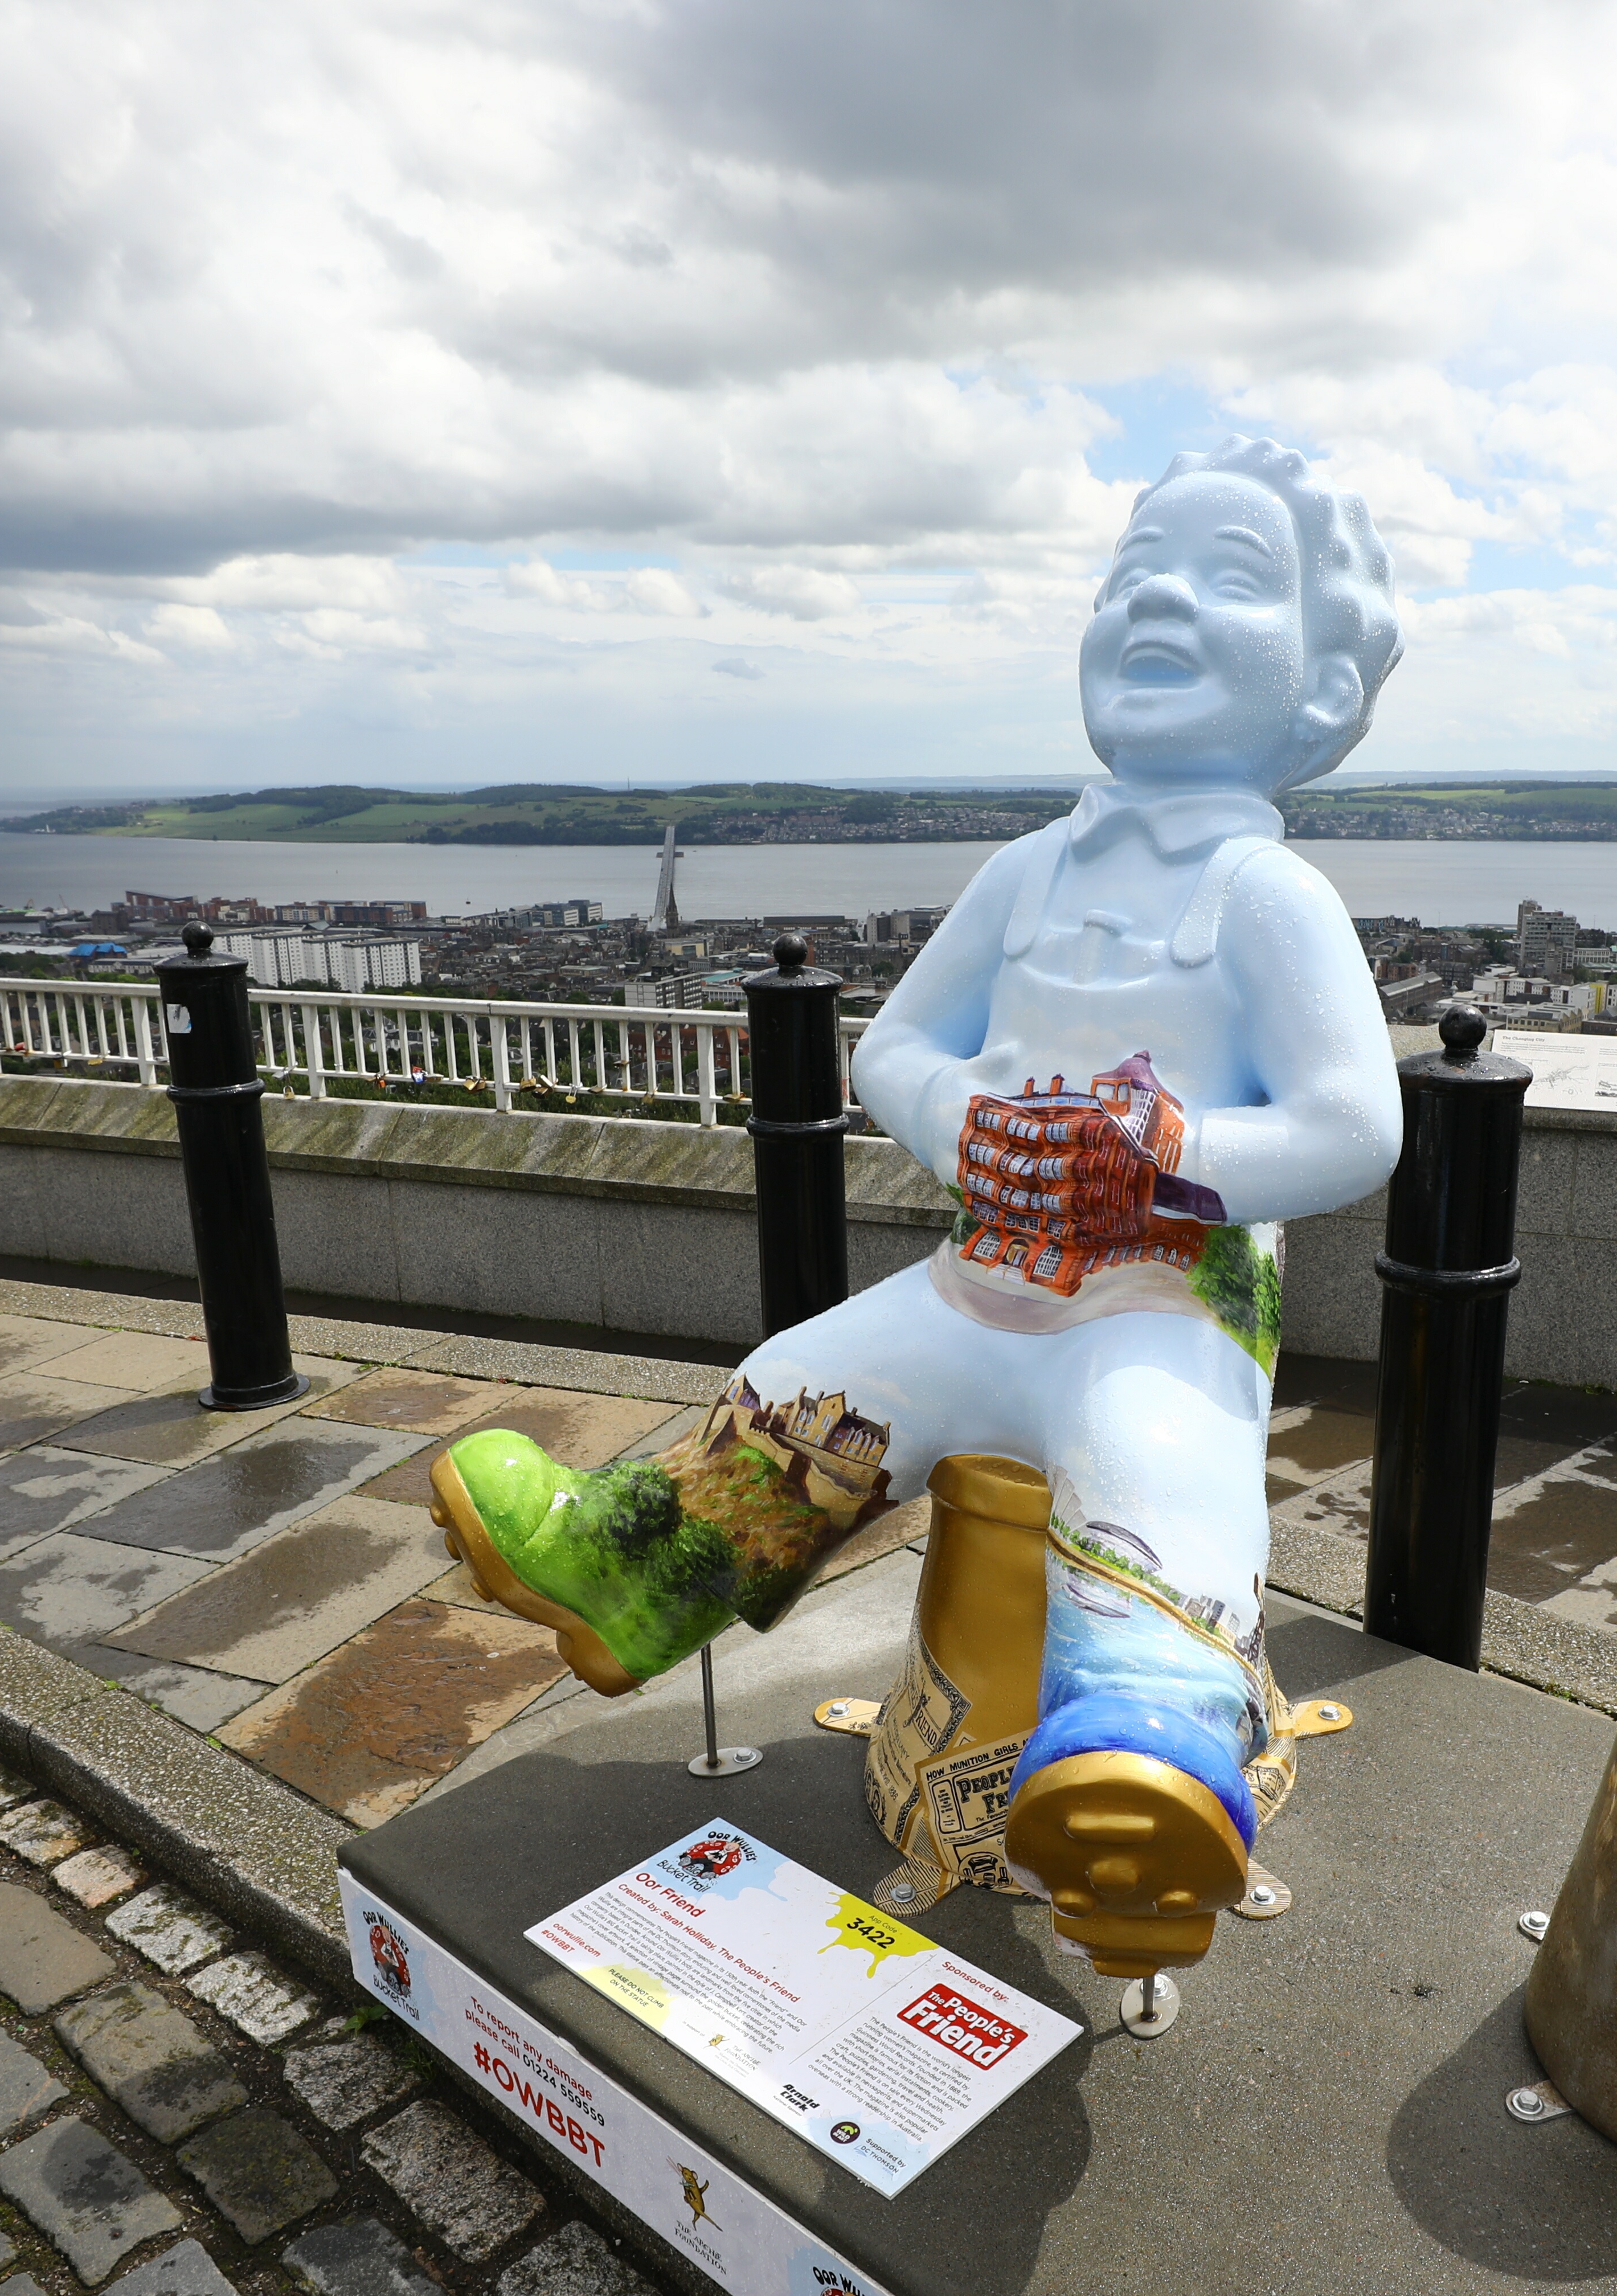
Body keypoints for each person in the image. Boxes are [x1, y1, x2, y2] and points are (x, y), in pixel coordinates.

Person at [429, 435, 1402, 1968]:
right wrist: (978, 1133)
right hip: (987, 1271)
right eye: (1131, 576)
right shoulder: (1028, 871)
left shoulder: (1273, 900)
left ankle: (1145, 1768)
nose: (1157, 604)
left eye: (1226, 582)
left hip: (1164, 1293)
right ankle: (635, 1566)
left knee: (1158, 1471)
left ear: (1325, 692)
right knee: (811, 1381)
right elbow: (895, 1047)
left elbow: (1357, 1125)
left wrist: (1174, 1151)